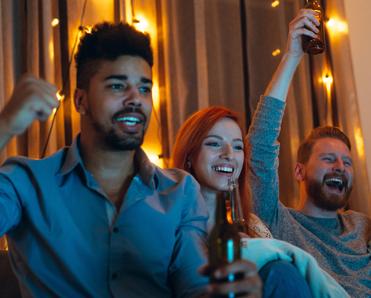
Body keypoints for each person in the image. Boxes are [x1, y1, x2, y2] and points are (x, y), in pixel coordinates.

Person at [0, 22, 255, 297]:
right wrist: (6, 125)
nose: (136, 99)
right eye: (118, 86)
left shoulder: (181, 191)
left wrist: (228, 292)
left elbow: (195, 288)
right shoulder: (25, 181)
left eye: (145, 89)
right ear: (80, 101)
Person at [171, 9, 349, 298]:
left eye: (238, 146)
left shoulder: (254, 226)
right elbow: (263, 141)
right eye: (215, 143)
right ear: (189, 155)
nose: (230, 153)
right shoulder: (169, 220)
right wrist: (293, 55)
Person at [246, 7, 371, 298]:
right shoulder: (278, 221)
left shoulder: (362, 226)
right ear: (299, 170)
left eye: (347, 162)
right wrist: (293, 57)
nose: (340, 166)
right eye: (328, 159)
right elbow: (259, 149)